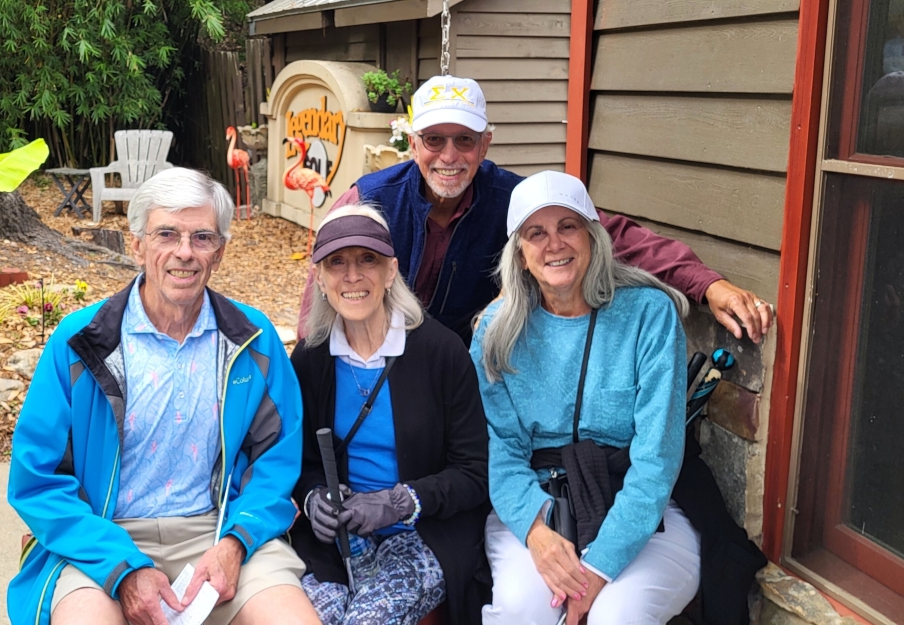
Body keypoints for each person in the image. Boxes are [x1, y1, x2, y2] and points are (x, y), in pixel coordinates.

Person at [7, 168, 321, 625]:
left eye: (202, 237)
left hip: (218, 531)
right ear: (137, 245)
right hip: (103, 536)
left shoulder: (253, 342)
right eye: (167, 234)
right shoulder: (79, 343)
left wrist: (237, 542)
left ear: (221, 251)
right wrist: (123, 569)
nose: (184, 252)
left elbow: (276, 462)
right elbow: (36, 479)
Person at [298, 75, 774, 346]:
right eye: (434, 140)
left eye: (464, 139)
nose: (449, 156)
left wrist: (707, 284)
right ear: (412, 143)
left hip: (476, 363)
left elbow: (611, 234)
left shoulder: (514, 198)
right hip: (383, 358)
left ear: (485, 143)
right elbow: (320, 290)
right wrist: (310, 366)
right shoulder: (370, 198)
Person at [471, 171, 699, 624]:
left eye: (568, 227)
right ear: (519, 255)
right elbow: (499, 450)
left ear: (594, 237)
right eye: (536, 233)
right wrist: (537, 534)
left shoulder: (649, 315)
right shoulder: (496, 332)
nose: (554, 244)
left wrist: (597, 568)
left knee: (618, 617)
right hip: (536, 501)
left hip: (637, 509)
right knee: (520, 611)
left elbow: (656, 458)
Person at [289, 206, 491, 625]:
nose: (352, 276)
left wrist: (400, 503)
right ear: (320, 279)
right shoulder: (312, 357)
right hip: (338, 541)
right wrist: (314, 500)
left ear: (391, 270)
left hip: (426, 532)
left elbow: (476, 472)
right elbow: (301, 460)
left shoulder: (441, 351)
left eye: (368, 260)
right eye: (336, 263)